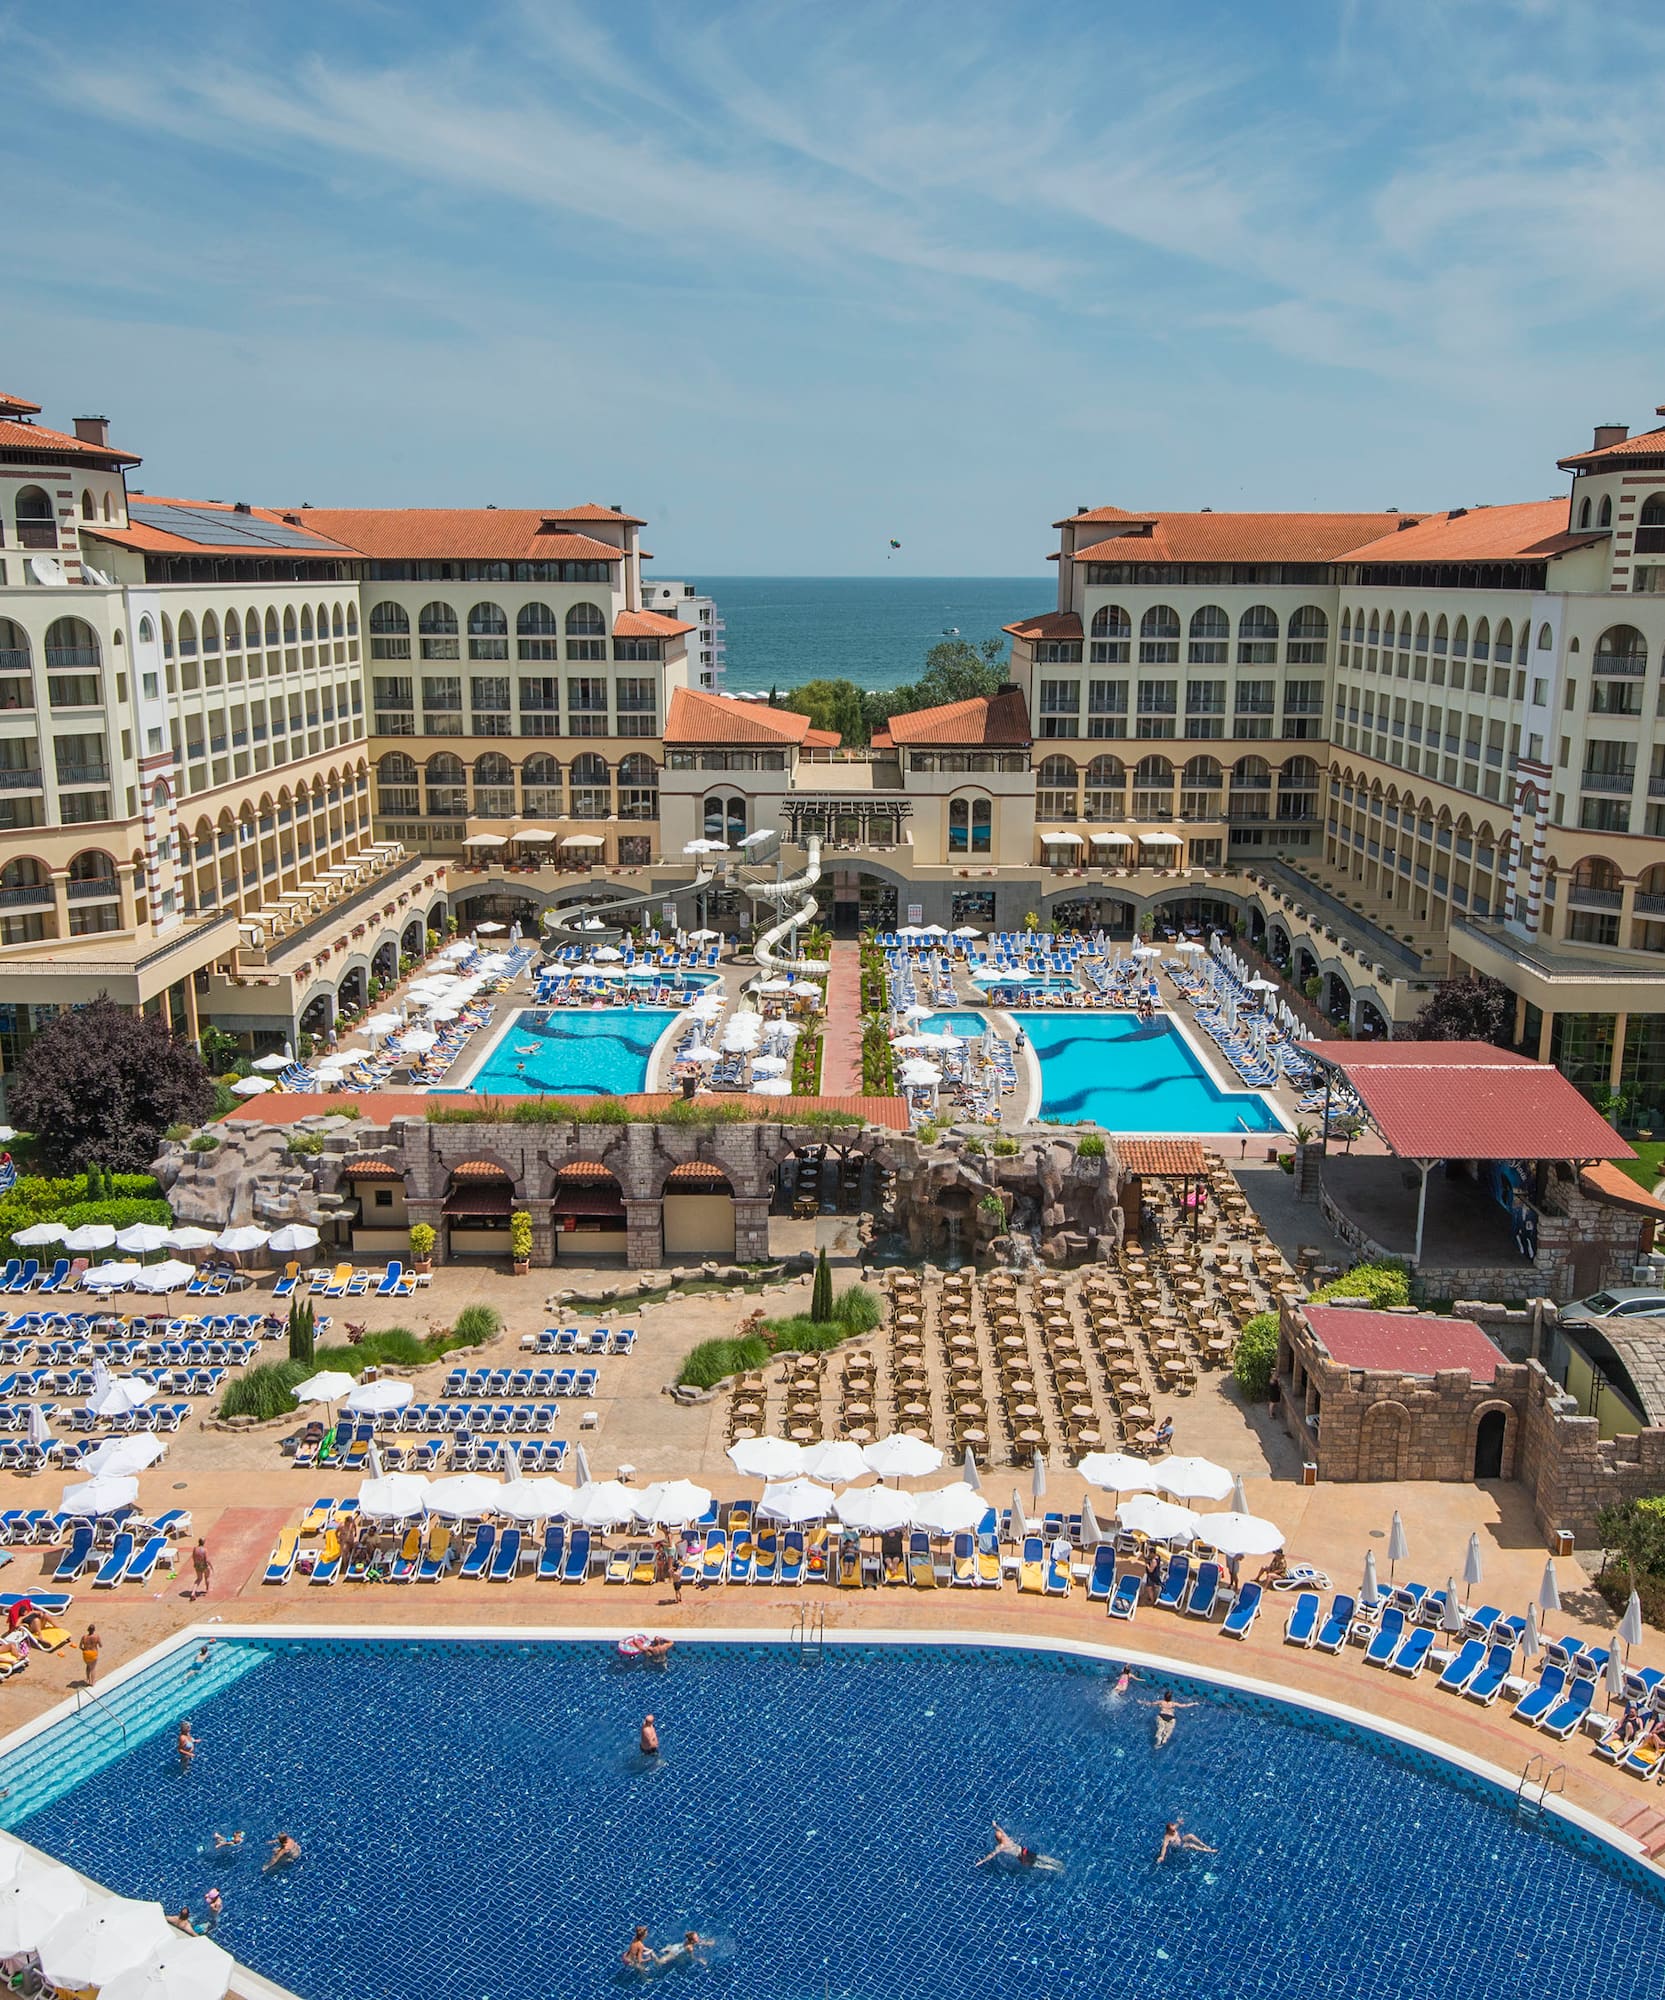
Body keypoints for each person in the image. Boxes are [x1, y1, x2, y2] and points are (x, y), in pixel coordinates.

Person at [976, 1821, 1062, 1872]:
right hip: (1023, 1850)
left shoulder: (1000, 1846)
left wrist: (981, 1861)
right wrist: (995, 1825)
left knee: (1038, 1864)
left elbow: (991, 1855)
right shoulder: (1006, 1838)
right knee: (1039, 1857)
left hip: (1021, 1857)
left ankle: (1055, 1869)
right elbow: (1000, 1829)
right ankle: (1056, 1862)